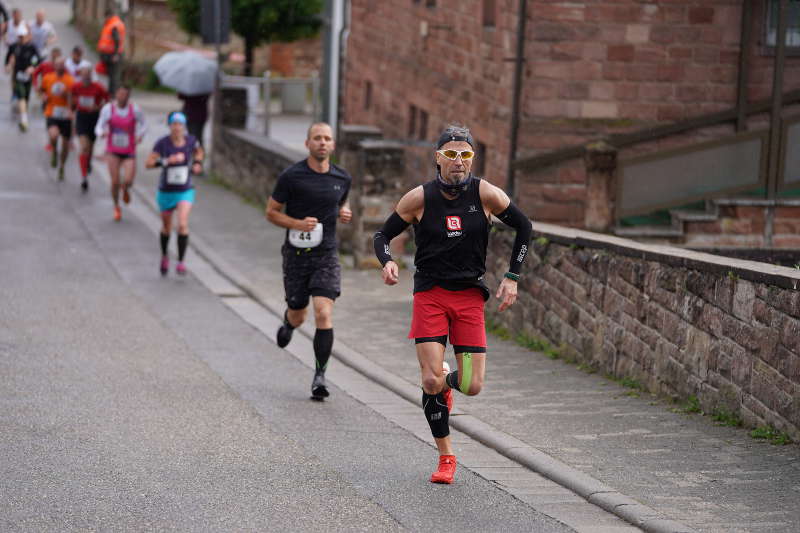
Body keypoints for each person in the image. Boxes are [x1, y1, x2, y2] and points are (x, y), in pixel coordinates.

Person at [373, 125, 532, 484]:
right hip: (430, 293)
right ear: (438, 158)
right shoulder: (420, 198)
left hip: (469, 296)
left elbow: (524, 226)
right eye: (451, 154)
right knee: (429, 381)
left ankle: (447, 382)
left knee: (473, 384)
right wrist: (388, 261)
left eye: (466, 155)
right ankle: (446, 456)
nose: (458, 162)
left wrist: (513, 276)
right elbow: (382, 234)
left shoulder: (485, 193)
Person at [265, 122, 352, 400]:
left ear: (333, 145)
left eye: (327, 138)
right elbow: (271, 212)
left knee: (323, 312)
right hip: (296, 255)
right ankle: (289, 324)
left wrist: (344, 211)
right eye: (317, 138)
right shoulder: (292, 176)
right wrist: (297, 223)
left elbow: (340, 202)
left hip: (326, 254)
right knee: (299, 312)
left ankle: (319, 376)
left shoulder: (342, 177)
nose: (322, 143)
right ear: (307, 144)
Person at [144, 112, 204, 276]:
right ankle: (164, 256)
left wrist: (198, 163)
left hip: (185, 190)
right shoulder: (162, 143)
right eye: (174, 124)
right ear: (169, 125)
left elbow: (199, 151)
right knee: (166, 227)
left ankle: (181, 262)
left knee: (183, 224)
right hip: (166, 191)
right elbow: (148, 163)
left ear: (184, 126)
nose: (177, 127)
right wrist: (166, 161)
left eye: (180, 124)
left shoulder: (191, 141)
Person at [95, 85, 146, 221]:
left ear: (128, 96)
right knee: (115, 181)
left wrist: (140, 135)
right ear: (116, 95)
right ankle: (116, 206)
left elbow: (144, 124)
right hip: (113, 151)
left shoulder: (135, 109)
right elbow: (99, 125)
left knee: (128, 180)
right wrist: (101, 133)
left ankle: (126, 189)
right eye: (120, 94)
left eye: (125, 94)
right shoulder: (108, 109)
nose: (122, 97)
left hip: (129, 150)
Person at [71, 64, 108, 191]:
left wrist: (99, 107)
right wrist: (72, 108)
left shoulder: (98, 87)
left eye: (88, 74)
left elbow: (107, 100)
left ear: (91, 75)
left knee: (90, 148)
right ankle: (84, 177)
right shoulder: (76, 86)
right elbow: (71, 97)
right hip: (81, 117)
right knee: (84, 147)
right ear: (81, 75)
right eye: (84, 74)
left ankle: (88, 162)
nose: (86, 77)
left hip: (94, 118)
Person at [40, 58, 74, 180]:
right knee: (53, 135)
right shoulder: (48, 78)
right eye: (58, 65)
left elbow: (72, 97)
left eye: (62, 65)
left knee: (65, 145)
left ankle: (62, 167)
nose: (60, 67)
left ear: (64, 66)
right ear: (54, 66)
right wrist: (43, 97)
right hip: (52, 112)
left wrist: (70, 110)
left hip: (65, 115)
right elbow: (42, 91)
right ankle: (54, 150)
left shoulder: (69, 80)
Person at [5, 26, 40, 132]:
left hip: (28, 76)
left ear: (26, 36)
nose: (21, 39)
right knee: (21, 97)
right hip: (18, 75)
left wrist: (32, 67)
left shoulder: (32, 47)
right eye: (19, 37)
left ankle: (24, 115)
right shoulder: (14, 46)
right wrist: (8, 65)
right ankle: (24, 120)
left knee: (26, 97)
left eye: (23, 37)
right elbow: (8, 58)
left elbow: (37, 59)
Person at [96, 7, 125, 95]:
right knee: (110, 76)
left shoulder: (113, 25)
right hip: (108, 55)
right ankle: (110, 94)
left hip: (112, 56)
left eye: (105, 17)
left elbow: (117, 40)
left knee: (113, 77)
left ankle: (113, 95)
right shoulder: (111, 24)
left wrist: (115, 55)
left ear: (108, 16)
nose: (104, 19)